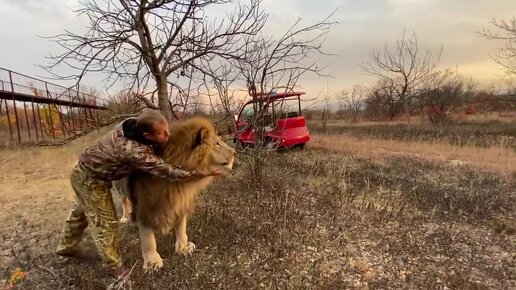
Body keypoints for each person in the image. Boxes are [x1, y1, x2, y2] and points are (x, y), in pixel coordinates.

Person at [55, 109, 220, 277]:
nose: (168, 135)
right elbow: (166, 171)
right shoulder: (133, 150)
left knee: (81, 212)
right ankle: (116, 267)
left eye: (167, 129)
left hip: (93, 168)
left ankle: (65, 247)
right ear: (147, 135)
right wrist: (201, 173)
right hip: (90, 178)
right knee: (105, 222)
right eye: (163, 134)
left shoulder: (134, 124)